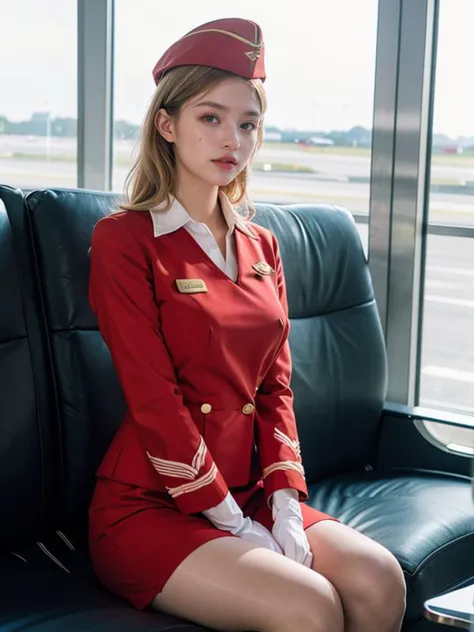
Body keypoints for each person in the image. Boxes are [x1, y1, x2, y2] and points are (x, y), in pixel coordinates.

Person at [88, 17, 406, 632]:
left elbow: (275, 388)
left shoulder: (262, 243)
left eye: (247, 123)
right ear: (166, 124)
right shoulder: (125, 239)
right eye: (210, 117)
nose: (231, 139)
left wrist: (284, 501)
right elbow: (153, 398)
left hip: (256, 487)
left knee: (377, 579)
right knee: (308, 607)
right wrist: (228, 519)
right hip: (152, 502)